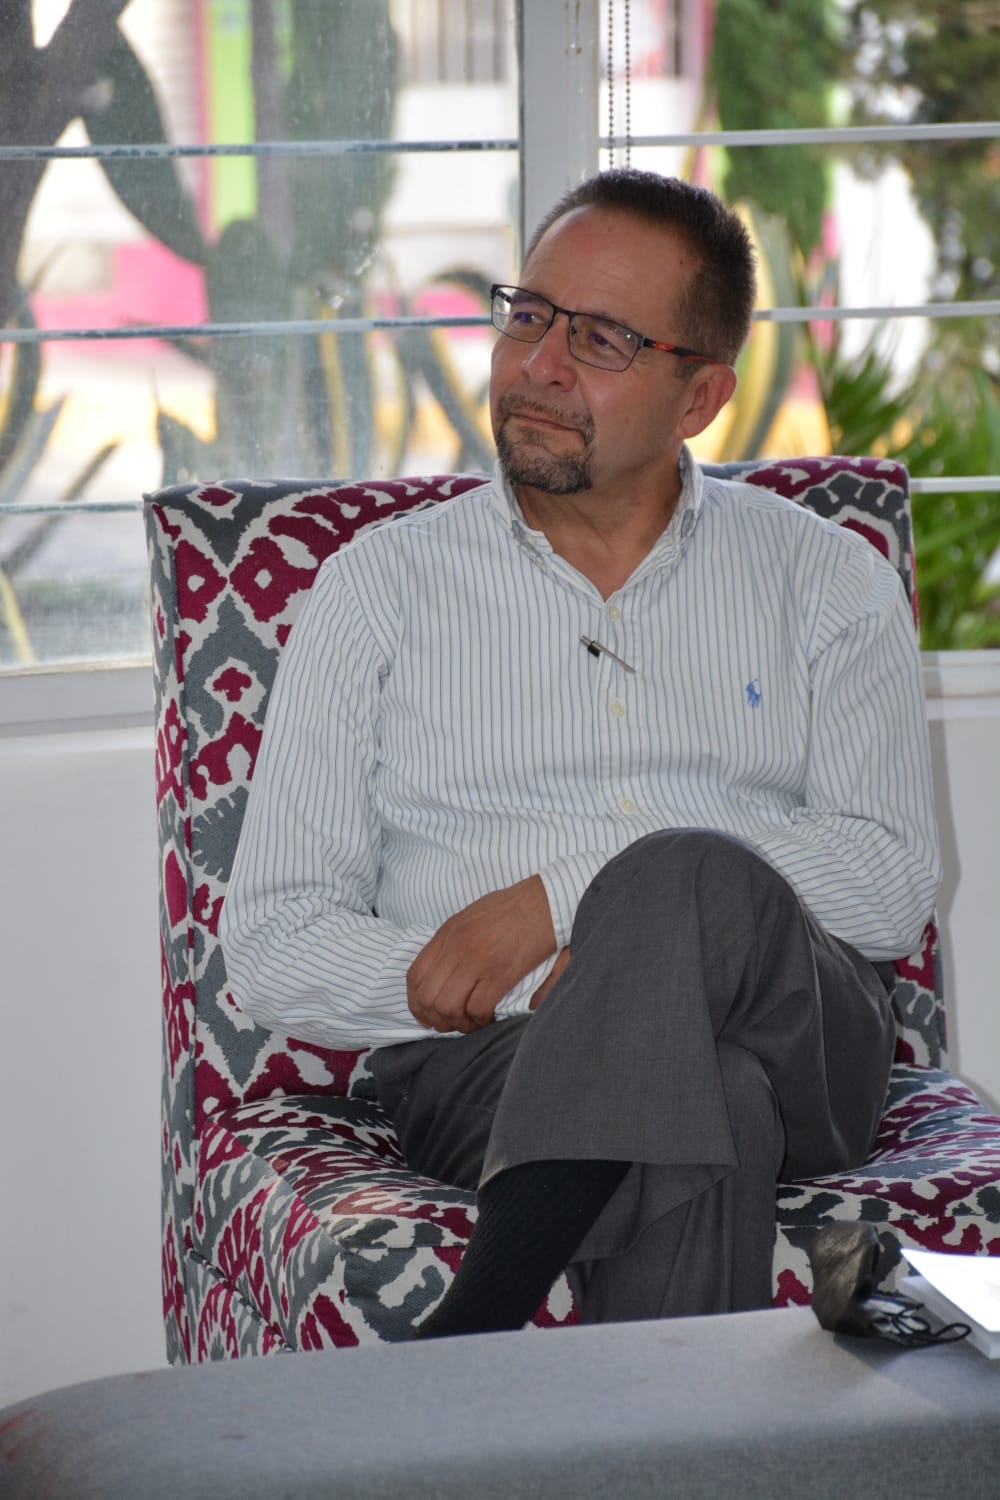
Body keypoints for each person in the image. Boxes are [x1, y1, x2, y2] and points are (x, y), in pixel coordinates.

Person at [219, 169, 940, 1337]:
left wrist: (557, 903)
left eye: (601, 338)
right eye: (529, 315)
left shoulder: (823, 580)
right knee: (714, 1099)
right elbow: (274, 942)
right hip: (490, 1063)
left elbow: (888, 883)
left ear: (700, 394)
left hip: (805, 1040)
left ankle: (470, 1338)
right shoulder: (379, 590)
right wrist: (536, 979)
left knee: (689, 870)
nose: (540, 366)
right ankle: (544, 1379)